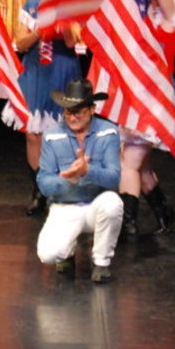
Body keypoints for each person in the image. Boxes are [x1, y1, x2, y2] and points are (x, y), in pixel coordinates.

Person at [117, 0, 175, 243]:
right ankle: (164, 213)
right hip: (136, 98)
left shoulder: (170, 18)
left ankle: (127, 225)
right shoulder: (141, 19)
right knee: (139, 166)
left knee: (129, 163)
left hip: (155, 100)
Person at [3, 0, 82, 215]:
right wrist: (40, 29)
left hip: (61, 70)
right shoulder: (32, 4)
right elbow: (20, 43)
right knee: (32, 133)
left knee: (62, 132)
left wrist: (61, 16)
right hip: (35, 70)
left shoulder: (71, 4)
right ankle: (39, 191)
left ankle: (62, 187)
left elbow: (71, 41)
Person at [36, 78, 124, 283]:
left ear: (92, 109)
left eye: (78, 112)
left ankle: (101, 263)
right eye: (68, 112)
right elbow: (44, 182)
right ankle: (66, 253)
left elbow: (113, 178)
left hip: (96, 205)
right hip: (65, 206)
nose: (72, 117)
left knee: (113, 203)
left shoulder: (108, 132)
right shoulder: (51, 135)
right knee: (48, 255)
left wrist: (88, 171)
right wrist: (68, 179)